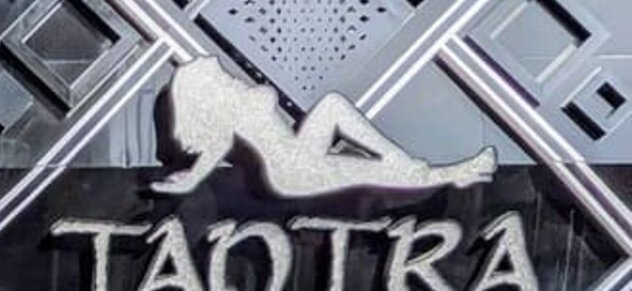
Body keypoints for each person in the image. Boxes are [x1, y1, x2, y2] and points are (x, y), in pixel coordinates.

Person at [152, 57, 495, 198]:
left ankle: (428, 168)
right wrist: (191, 179)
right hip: (293, 172)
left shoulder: (236, 99)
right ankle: (454, 173)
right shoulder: (227, 113)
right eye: (219, 78)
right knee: (377, 172)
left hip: (300, 155)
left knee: (333, 106)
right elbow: (215, 147)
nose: (226, 78)